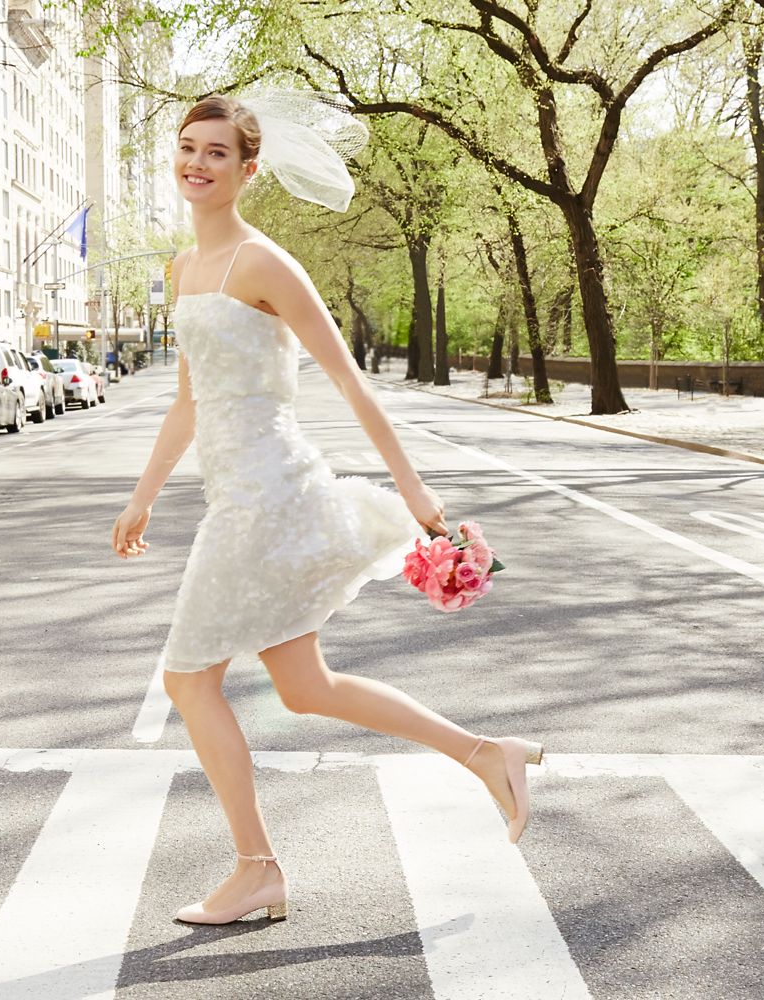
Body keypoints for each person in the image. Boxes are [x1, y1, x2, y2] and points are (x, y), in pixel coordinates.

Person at [111, 94, 543, 926]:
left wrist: (417, 496)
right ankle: (488, 753)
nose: (196, 164)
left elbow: (349, 380)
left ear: (248, 169)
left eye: (216, 153)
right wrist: (142, 496)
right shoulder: (182, 270)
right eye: (187, 148)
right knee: (306, 687)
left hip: (271, 499)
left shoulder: (264, 263)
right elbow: (187, 404)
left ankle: (256, 868)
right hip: (235, 494)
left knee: (186, 678)